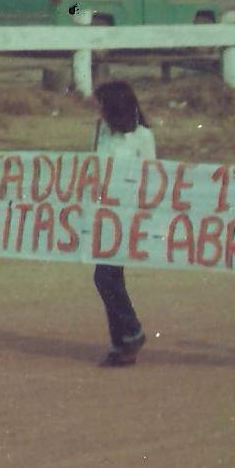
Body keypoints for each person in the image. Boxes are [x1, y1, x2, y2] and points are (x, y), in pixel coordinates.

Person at [91, 80, 156, 366]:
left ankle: (131, 331)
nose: (99, 111)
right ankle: (122, 344)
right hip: (103, 213)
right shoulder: (101, 131)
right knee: (109, 277)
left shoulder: (143, 136)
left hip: (126, 215)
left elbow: (152, 175)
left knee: (104, 276)